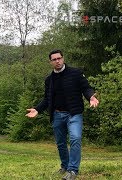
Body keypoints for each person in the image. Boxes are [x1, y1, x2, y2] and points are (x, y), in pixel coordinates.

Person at [25, 49, 99, 180]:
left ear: (63, 59)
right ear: (50, 62)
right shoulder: (49, 80)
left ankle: (73, 170)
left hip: (74, 114)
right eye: (54, 59)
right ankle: (65, 166)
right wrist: (37, 109)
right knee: (61, 143)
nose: (57, 61)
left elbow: (86, 88)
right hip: (57, 115)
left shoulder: (75, 73)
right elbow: (47, 99)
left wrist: (90, 97)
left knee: (75, 138)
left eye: (59, 58)